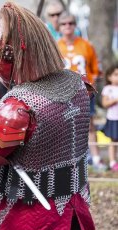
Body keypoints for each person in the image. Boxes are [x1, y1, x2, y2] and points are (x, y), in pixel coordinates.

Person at [0, 2, 99, 230]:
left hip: (26, 218)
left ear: (8, 55)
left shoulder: (18, 109)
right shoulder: (79, 85)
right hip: (72, 205)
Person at [57, 11, 106, 172]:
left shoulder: (86, 45)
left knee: (89, 125)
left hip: (84, 91)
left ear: (75, 25)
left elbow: (95, 70)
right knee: (64, 126)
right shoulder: (55, 46)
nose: (67, 26)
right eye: (64, 24)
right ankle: (68, 161)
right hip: (62, 91)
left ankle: (96, 159)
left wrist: (91, 83)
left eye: (71, 23)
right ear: (59, 27)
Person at [102, 64, 118, 171]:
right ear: (109, 77)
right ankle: (112, 162)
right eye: (116, 75)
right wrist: (115, 100)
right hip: (113, 119)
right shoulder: (108, 89)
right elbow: (105, 103)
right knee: (113, 140)